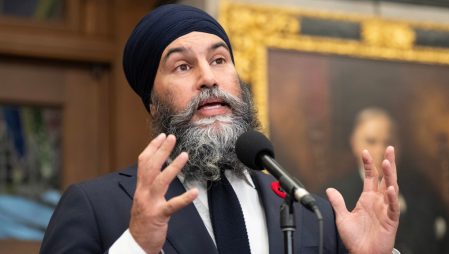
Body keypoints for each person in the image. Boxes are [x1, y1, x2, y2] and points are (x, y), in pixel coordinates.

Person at [40, 4, 400, 254]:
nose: (209, 77)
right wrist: (137, 245)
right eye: (182, 66)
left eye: (219, 60)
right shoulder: (97, 206)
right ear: (152, 102)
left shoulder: (306, 211)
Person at [322, 107, 449, 253]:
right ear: (354, 143)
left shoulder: (422, 190)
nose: (380, 150)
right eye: (371, 141)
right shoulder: (336, 195)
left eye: (388, 142)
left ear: (399, 145)